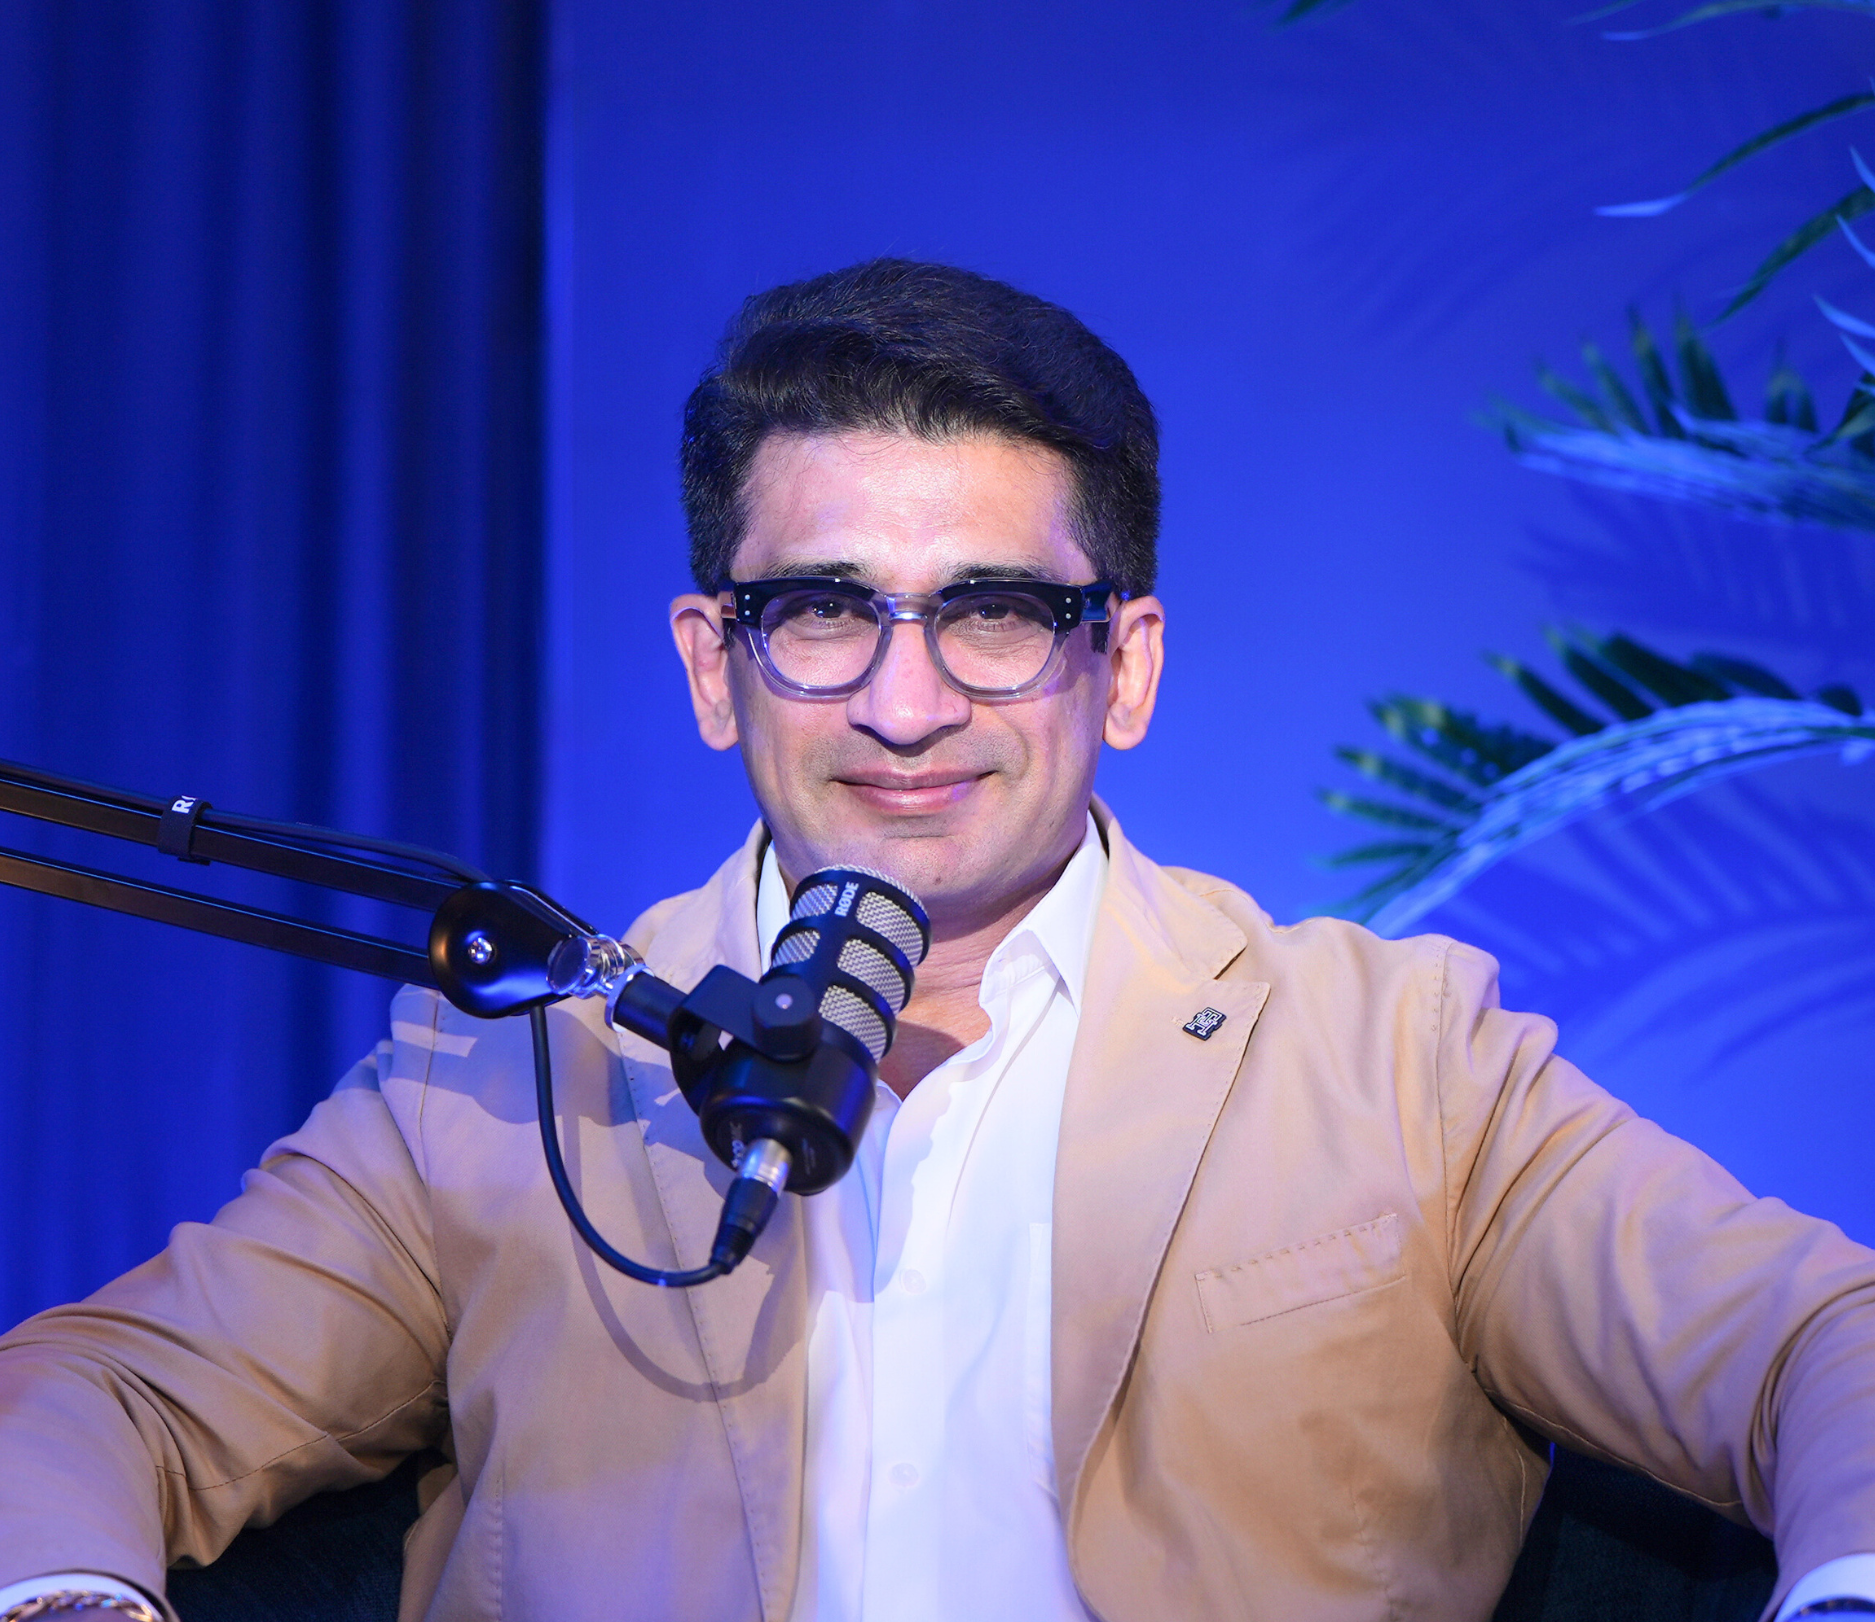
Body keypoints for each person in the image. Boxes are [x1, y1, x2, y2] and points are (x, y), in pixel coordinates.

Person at [1, 258, 1873, 1622]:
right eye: (823, 610)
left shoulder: (1394, 1060)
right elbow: (101, 1393)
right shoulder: (508, 1072)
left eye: (992, 612)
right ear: (713, 665)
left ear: (1120, 665)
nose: (904, 704)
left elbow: (1818, 1345)